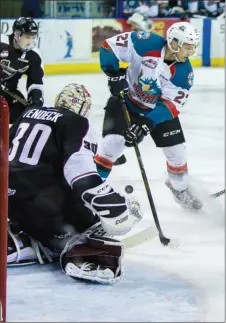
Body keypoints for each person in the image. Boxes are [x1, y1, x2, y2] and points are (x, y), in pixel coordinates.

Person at [7, 84, 142, 284]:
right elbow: (81, 176)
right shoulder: (78, 123)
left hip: (6, 202)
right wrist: (116, 208)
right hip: (43, 208)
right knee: (87, 223)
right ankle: (51, 244)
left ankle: (23, 234)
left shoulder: (29, 113)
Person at [94, 21, 203, 211]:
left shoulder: (184, 73)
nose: (191, 52)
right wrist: (113, 74)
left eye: (194, 47)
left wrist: (146, 123)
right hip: (125, 101)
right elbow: (108, 46)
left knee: (177, 153)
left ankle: (181, 189)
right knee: (112, 145)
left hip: (155, 111)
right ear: (174, 43)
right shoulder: (145, 43)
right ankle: (90, 189)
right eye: (188, 47)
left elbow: (171, 105)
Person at [0, 17, 44, 124]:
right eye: (27, 37)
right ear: (17, 34)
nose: (30, 41)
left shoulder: (34, 55)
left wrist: (35, 99)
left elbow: (36, 82)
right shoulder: (2, 43)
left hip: (9, 92)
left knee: (26, 116)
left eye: (32, 37)